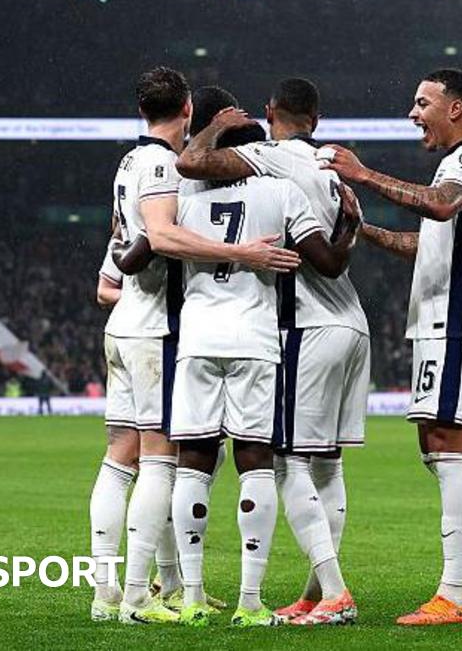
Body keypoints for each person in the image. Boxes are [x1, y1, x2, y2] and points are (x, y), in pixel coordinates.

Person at [326, 68, 462, 625]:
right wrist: (363, 229)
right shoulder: (453, 166)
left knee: (446, 447)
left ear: (456, 108)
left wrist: (363, 174)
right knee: (438, 449)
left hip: (458, 320)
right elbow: (428, 241)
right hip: (439, 321)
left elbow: (441, 207)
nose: (413, 113)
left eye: (422, 103)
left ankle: (452, 594)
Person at [94, 69, 292, 626]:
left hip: (128, 325)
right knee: (162, 462)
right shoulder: (168, 172)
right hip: (158, 329)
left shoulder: (129, 164)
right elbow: (159, 237)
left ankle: (117, 591)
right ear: (185, 108)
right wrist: (242, 253)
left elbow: (111, 276)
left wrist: (134, 270)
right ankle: (137, 597)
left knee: (120, 459)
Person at [176, 77, 369, 626]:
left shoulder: (265, 162)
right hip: (350, 322)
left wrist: (214, 130)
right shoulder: (328, 167)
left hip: (300, 324)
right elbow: (332, 260)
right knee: (325, 465)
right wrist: (353, 228)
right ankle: (313, 593)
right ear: (317, 118)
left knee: (282, 461)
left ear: (267, 114)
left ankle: (332, 592)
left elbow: (191, 166)